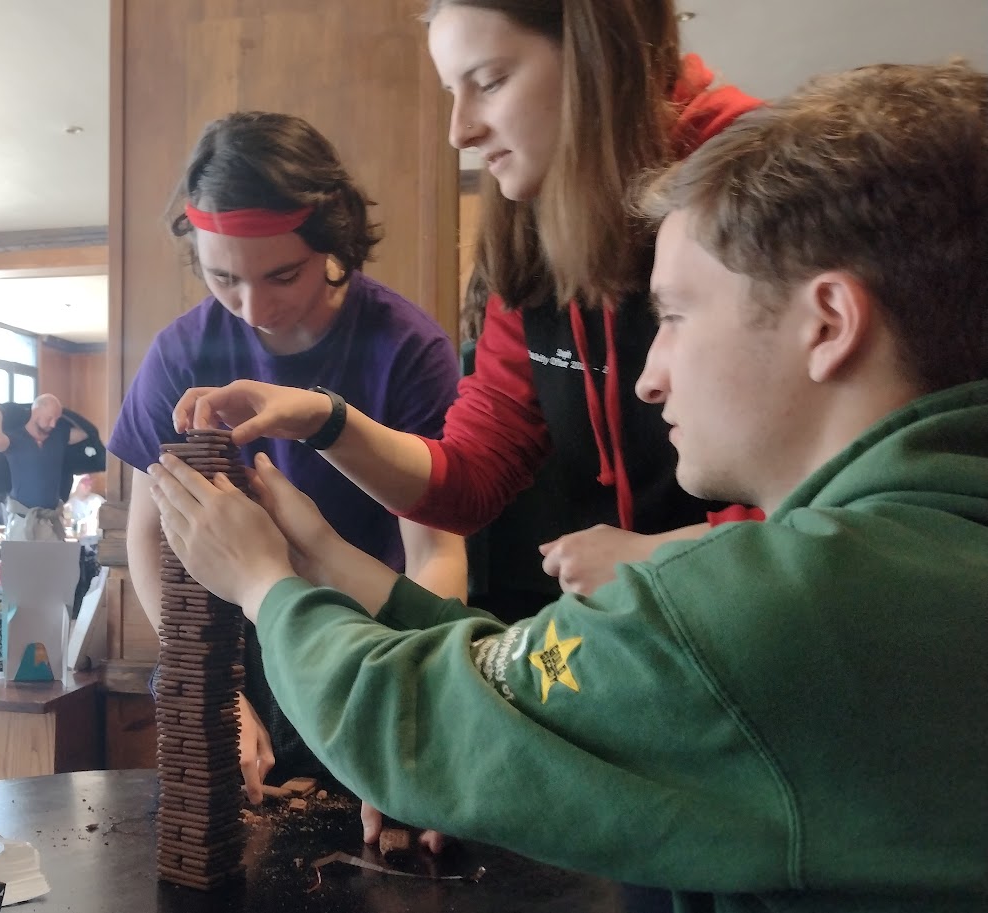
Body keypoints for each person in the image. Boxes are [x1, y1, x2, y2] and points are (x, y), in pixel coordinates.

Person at [149, 61, 988, 912]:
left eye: (673, 316)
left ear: (827, 323)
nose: (647, 377)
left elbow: (428, 722)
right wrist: (318, 550)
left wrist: (264, 583)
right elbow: (509, 665)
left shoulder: (773, 604)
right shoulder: (919, 553)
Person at [176, 0, 763, 616]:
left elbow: (827, 515)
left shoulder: (758, 182)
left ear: (596, 54)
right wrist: (325, 422)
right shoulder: (530, 224)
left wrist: (662, 560)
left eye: (490, 82)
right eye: (453, 92)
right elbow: (472, 479)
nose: (460, 132)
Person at [108, 111, 466, 824]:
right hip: (228, 646)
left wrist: (408, 713)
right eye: (223, 279)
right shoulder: (179, 353)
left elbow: (437, 554)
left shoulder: (405, 350)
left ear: (329, 239)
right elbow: (147, 534)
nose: (253, 308)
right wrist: (211, 684)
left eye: (282, 275)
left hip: (370, 641)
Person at [0, 393, 91, 542]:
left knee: (55, 559)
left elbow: (87, 432)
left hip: (51, 522)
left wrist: (66, 415)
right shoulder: (15, 438)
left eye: (56, 419)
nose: (53, 424)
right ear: (35, 411)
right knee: (20, 558)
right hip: (22, 520)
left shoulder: (58, 437)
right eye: (50, 418)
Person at [64, 474, 105, 538]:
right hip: (75, 539)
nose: (89, 487)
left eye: (89, 484)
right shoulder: (69, 505)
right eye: (85, 484)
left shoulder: (98, 500)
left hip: (95, 539)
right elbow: (67, 525)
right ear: (77, 485)